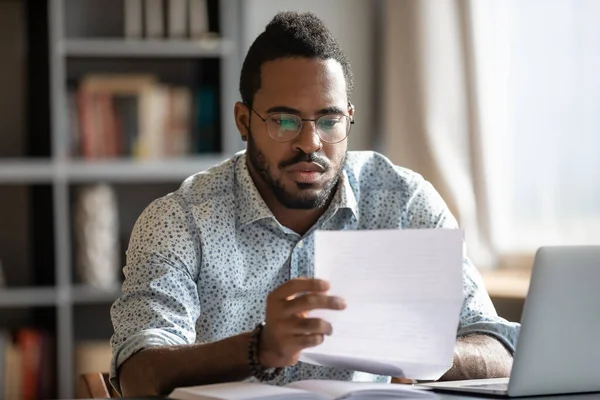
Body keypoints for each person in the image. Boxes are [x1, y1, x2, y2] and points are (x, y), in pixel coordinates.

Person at [110, 11, 520, 397]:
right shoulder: (179, 220)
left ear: (348, 118)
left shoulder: (405, 203)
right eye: (284, 121)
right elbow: (138, 373)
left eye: (329, 120)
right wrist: (259, 348)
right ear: (243, 121)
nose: (310, 143)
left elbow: (501, 349)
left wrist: (431, 354)